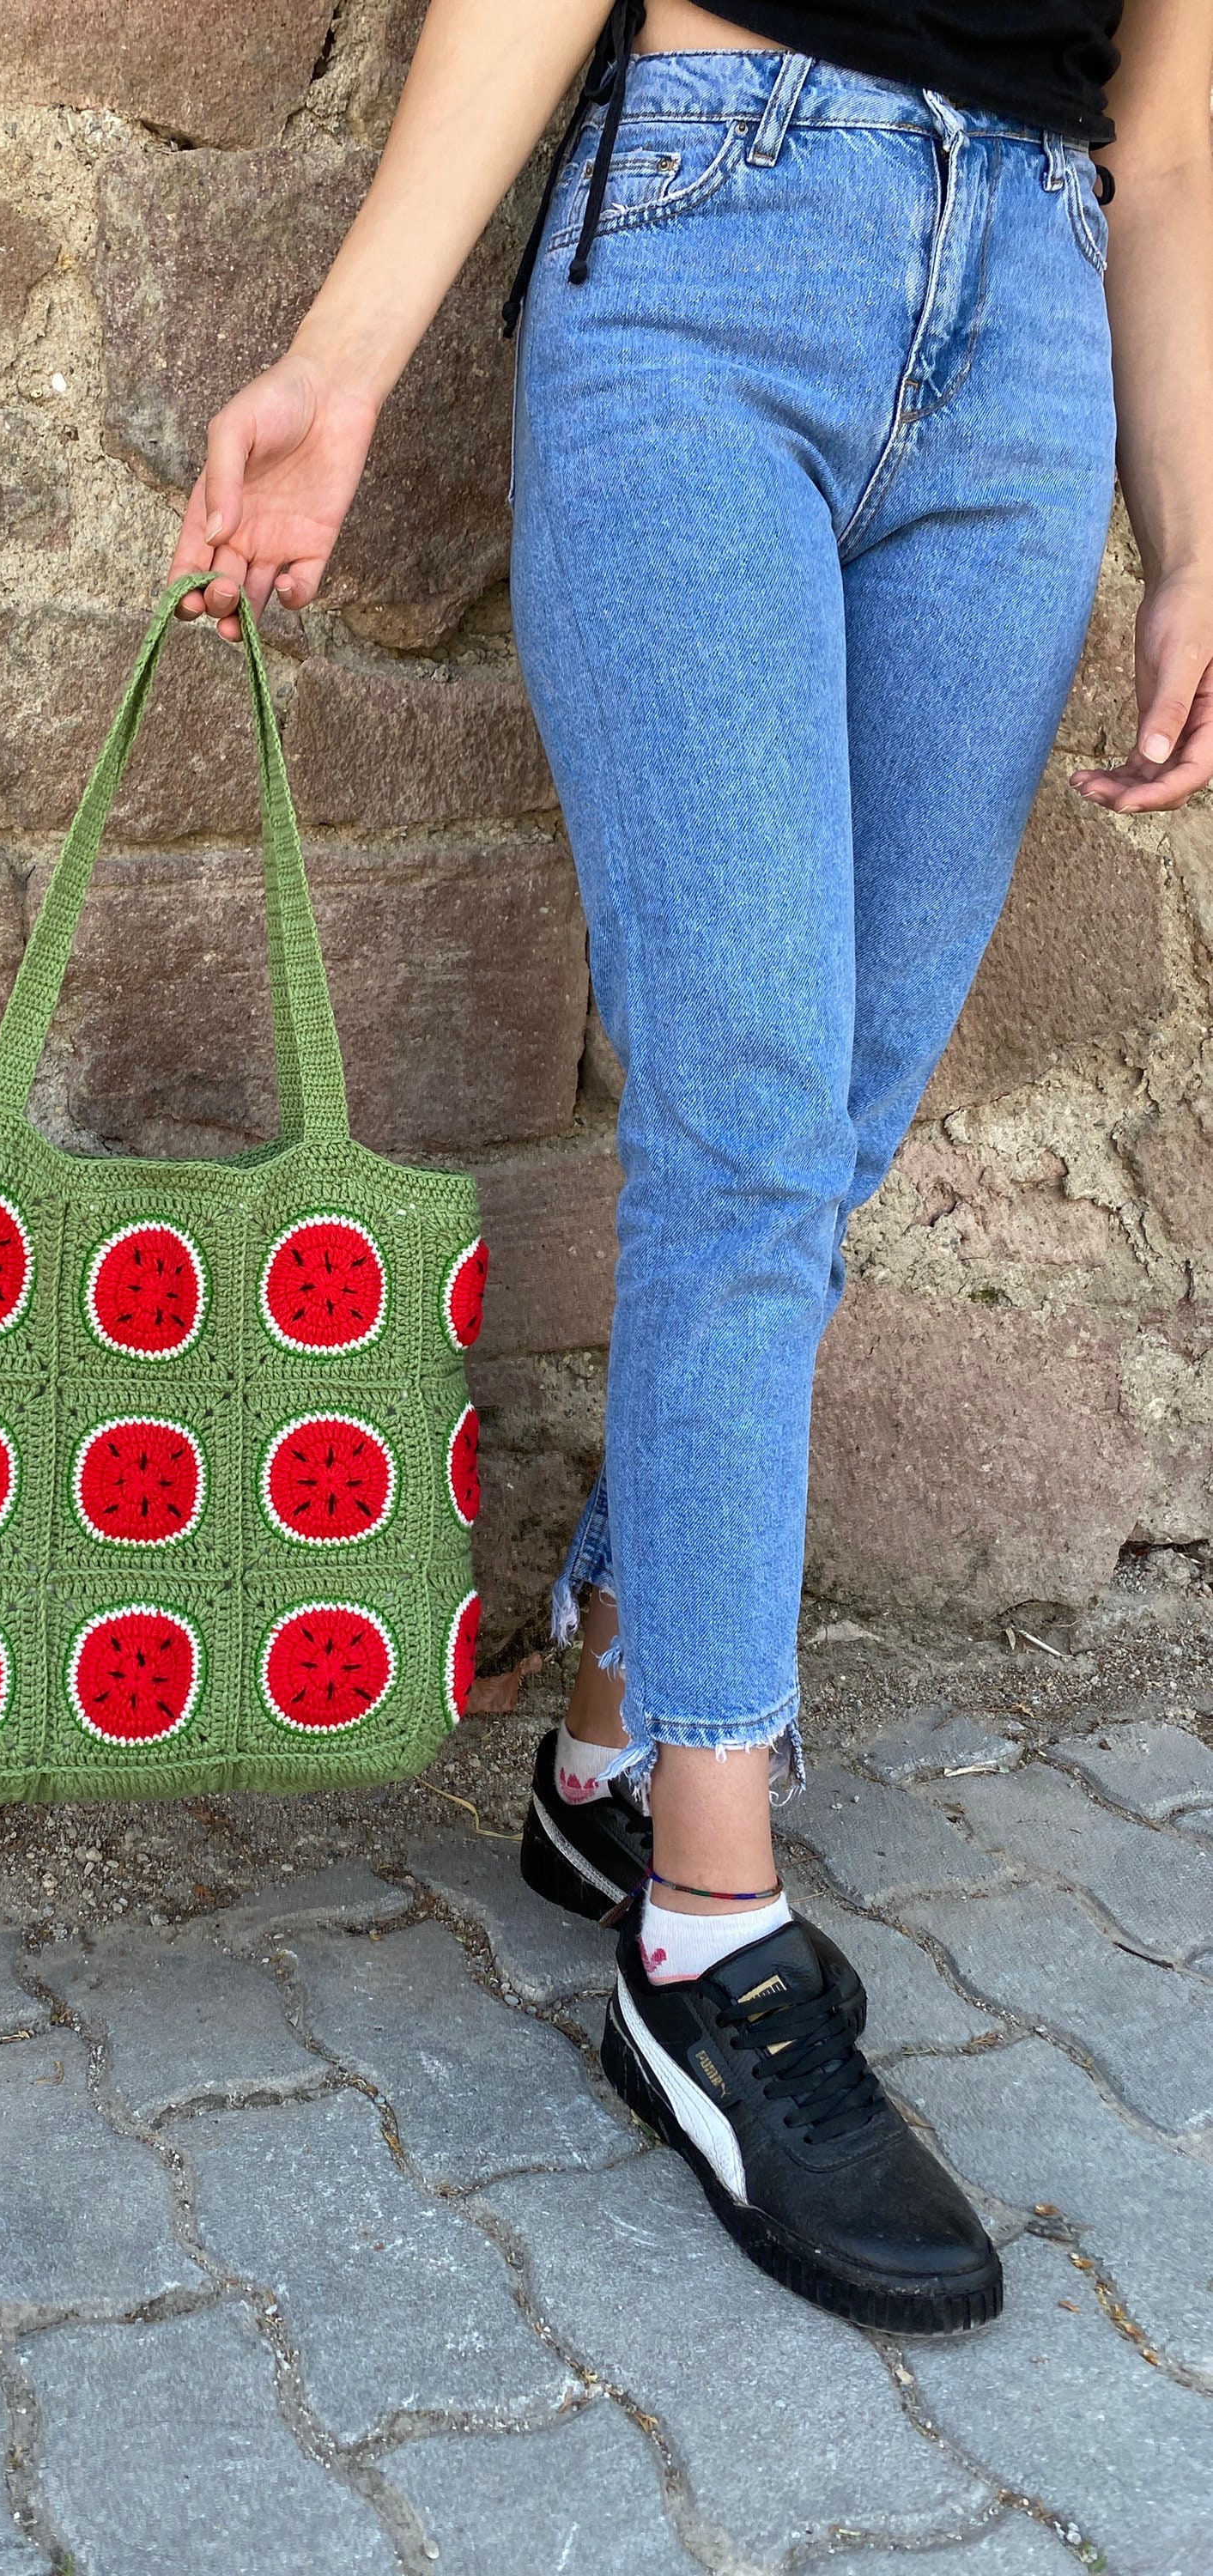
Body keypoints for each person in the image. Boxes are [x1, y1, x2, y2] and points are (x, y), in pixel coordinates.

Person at [169, 0, 1213, 2332]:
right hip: (710, 249)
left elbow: (1165, 133)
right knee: (744, 1135)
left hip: (1030, 327)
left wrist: (1193, 536)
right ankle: (707, 1936)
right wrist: (343, 361)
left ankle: (606, 1753)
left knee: (825, 1128)